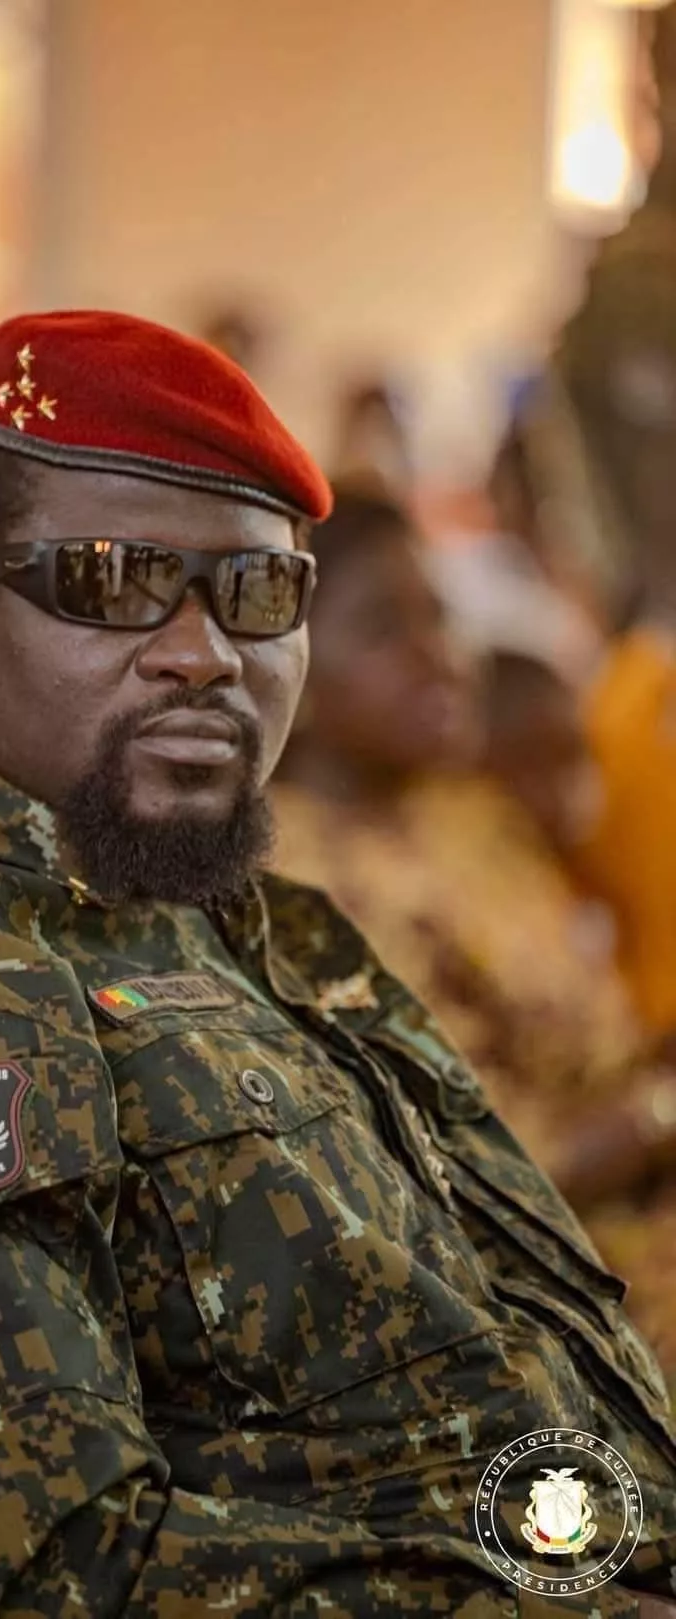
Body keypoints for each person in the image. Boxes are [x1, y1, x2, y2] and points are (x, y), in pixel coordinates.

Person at [0, 313, 676, 1616]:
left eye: (258, 592)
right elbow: (54, 1574)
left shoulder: (265, 928)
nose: (203, 652)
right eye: (112, 581)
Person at [273, 482, 676, 1377]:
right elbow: (452, 1186)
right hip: (561, 1306)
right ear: (286, 666)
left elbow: (598, 1024)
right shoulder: (295, 887)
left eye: (440, 616)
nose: (437, 653)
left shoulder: (465, 808)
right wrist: (656, 1116)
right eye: (385, 629)